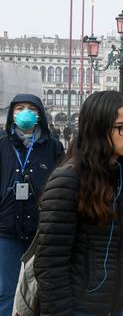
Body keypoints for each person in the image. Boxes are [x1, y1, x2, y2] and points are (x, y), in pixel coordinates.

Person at [34, 91, 123, 315]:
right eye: (122, 127)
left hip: (120, 301)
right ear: (97, 128)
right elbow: (50, 263)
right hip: (82, 304)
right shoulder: (68, 179)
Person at [0, 94, 64, 316]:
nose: (25, 112)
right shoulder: (2, 143)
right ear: (12, 114)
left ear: (39, 115)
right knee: (3, 290)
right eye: (19, 108)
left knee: (43, 289)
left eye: (30, 108)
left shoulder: (53, 146)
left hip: (41, 229)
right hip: (6, 227)